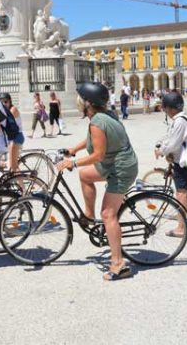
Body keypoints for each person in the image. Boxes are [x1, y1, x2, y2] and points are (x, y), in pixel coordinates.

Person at [56, 82, 138, 281]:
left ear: (88, 103)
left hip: (120, 168)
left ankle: (119, 264)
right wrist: (73, 149)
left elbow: (99, 154)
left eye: (81, 100)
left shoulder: (97, 122)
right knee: (85, 175)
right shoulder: (106, 115)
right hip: (116, 163)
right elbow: (92, 139)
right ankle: (88, 214)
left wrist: (72, 162)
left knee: (108, 214)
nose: (78, 102)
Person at [155, 92, 187, 238]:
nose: (165, 111)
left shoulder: (179, 121)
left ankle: (181, 228)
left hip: (183, 160)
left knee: (181, 192)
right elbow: (171, 137)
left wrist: (161, 151)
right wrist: (163, 144)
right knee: (186, 177)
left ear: (171, 108)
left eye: (165, 109)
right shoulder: (183, 117)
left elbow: (174, 142)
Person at [0, 92, 25, 172]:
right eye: (1, 102)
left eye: (6, 101)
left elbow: (3, 121)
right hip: (9, 138)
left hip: (16, 138)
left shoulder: (13, 110)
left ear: (10, 101)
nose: (4, 103)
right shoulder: (5, 110)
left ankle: (24, 183)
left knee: (13, 166)